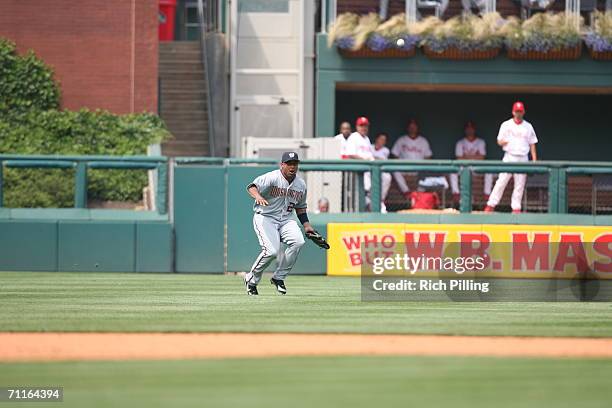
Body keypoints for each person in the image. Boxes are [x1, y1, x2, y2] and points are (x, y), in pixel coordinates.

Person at [244, 151, 314, 296]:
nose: (292, 167)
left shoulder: (300, 184)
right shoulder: (272, 177)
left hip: (286, 220)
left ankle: (279, 277)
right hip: (266, 217)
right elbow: (251, 186)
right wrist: (258, 196)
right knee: (271, 252)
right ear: (282, 165)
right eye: (289, 164)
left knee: (298, 242)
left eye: (295, 163)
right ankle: (251, 279)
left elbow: (300, 207)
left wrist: (307, 225)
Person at [485, 101, 538, 214]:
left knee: (519, 184)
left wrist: (534, 160)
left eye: (520, 111)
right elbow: (499, 141)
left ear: (523, 112)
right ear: (513, 112)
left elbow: (532, 143)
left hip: (523, 157)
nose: (518, 113)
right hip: (509, 156)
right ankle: (490, 205)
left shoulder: (528, 126)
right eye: (517, 111)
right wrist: (507, 141)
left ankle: (516, 208)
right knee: (501, 181)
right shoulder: (506, 125)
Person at [450, 121, 493, 204]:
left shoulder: (480, 142)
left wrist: (466, 157)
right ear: (465, 130)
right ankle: (456, 193)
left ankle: (487, 193)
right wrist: (475, 157)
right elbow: (459, 158)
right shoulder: (460, 142)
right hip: (463, 169)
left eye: (471, 128)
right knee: (452, 172)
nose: (470, 130)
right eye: (468, 128)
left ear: (474, 130)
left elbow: (482, 157)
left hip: (477, 168)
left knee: (489, 171)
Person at [391, 119, 433, 199]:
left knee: (427, 170)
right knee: (394, 170)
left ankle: (419, 194)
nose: (412, 129)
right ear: (407, 128)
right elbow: (394, 155)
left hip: (419, 170)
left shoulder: (423, 141)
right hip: (404, 169)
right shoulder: (401, 140)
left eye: (414, 127)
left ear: (417, 128)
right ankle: (406, 192)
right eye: (410, 127)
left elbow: (428, 157)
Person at [371, 132, 392, 213]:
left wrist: (373, 157)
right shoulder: (370, 147)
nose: (382, 141)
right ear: (377, 139)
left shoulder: (386, 150)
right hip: (368, 172)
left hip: (380, 172)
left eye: (384, 140)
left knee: (387, 177)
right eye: (381, 139)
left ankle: (380, 200)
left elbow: (382, 160)